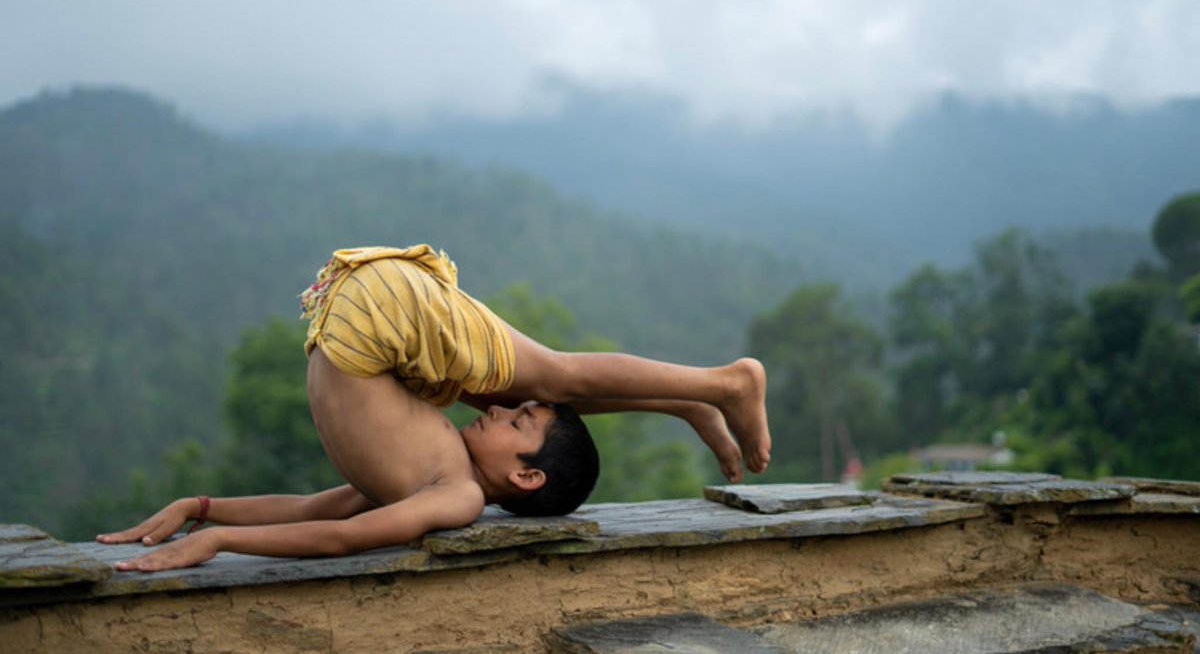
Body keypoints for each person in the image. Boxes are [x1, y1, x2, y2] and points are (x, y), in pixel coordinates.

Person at [98, 245, 769, 571]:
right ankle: (714, 387)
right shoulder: (442, 469)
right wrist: (215, 536)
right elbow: (328, 528)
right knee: (554, 377)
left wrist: (207, 515)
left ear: (527, 477)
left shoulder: (450, 493)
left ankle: (702, 394)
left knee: (557, 376)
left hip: (369, 312)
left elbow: (324, 522)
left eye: (519, 423)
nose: (504, 412)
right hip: (382, 314)